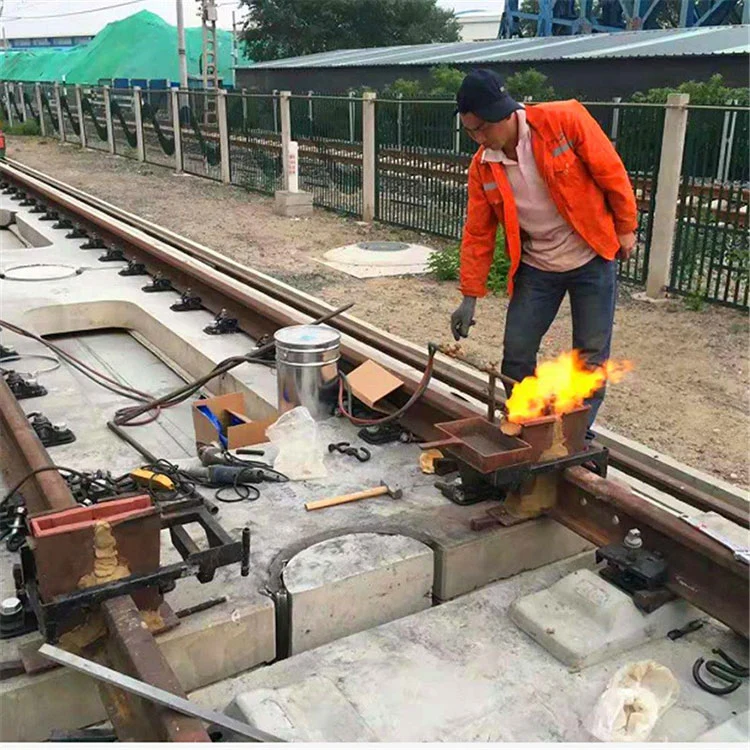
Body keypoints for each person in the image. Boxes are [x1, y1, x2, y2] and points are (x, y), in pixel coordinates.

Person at [450, 69, 637, 431]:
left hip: (590, 256)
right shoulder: (483, 168)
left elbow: (610, 171)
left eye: (482, 129)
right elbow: (478, 233)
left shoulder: (563, 120)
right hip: (537, 268)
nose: (477, 138)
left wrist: (626, 228)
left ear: (504, 114)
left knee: (590, 358)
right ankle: (531, 430)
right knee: (516, 355)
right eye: (469, 130)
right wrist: (469, 296)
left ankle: (572, 437)